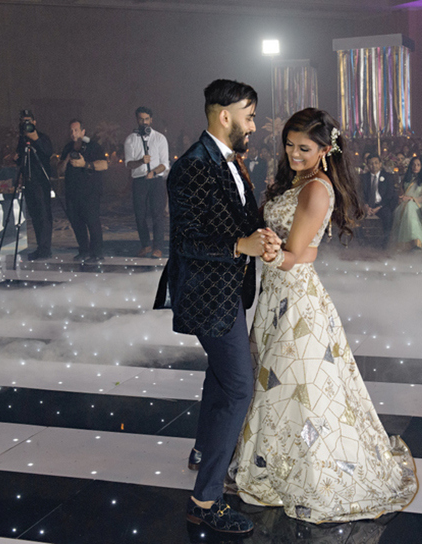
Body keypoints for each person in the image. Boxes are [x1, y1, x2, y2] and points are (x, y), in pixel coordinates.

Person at [232, 108, 417, 523]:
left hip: (294, 299)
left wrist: (256, 246)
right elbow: (306, 249)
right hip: (278, 294)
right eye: (289, 144)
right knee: (280, 382)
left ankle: (308, 471)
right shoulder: (299, 181)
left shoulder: (316, 188)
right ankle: (274, 459)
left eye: (304, 148)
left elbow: (295, 256)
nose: (294, 153)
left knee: (298, 386)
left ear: (325, 149)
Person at [157, 79, 279, 535]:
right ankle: (205, 500)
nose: (254, 126)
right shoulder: (192, 166)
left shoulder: (231, 162)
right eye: (249, 117)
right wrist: (240, 244)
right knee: (239, 388)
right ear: (223, 115)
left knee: (221, 377)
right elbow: (186, 240)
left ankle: (200, 451)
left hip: (229, 290)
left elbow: (242, 218)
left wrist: (262, 234)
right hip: (208, 295)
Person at [58, 119, 108, 263]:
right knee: (76, 223)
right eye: (71, 131)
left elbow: (104, 165)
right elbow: (59, 170)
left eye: (76, 130)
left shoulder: (93, 146)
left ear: (83, 131)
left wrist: (85, 164)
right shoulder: (68, 148)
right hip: (72, 192)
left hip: (90, 192)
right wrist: (67, 159)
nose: (73, 133)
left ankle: (97, 252)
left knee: (92, 222)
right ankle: (84, 250)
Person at [125, 106, 169, 258]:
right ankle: (145, 245)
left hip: (156, 181)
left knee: (157, 215)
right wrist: (140, 161)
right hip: (139, 180)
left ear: (151, 120)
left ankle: (158, 247)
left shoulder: (160, 138)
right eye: (140, 119)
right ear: (137, 120)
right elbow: (128, 164)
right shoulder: (130, 139)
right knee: (139, 215)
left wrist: (153, 172)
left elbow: (165, 163)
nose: (143, 122)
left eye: (146, 119)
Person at [15, 109, 54, 260]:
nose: (27, 124)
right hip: (28, 182)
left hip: (41, 182)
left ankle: (46, 249)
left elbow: (48, 152)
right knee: (35, 216)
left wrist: (36, 139)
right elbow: (21, 159)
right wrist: (15, 157)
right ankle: (40, 247)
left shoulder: (42, 137)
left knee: (44, 216)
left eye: (29, 121)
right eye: (24, 121)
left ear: (34, 122)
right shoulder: (22, 139)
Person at [389, 156, 422, 251]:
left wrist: (411, 199)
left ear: (421, 167)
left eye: (418, 165)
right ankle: (406, 244)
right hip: (404, 205)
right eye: (413, 165)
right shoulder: (406, 179)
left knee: (410, 206)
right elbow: (401, 195)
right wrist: (402, 199)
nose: (415, 167)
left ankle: (416, 241)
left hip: (418, 205)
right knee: (407, 207)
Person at [361, 154, 398, 242]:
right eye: (371, 163)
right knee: (356, 215)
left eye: (376, 163)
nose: (373, 165)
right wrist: (365, 206)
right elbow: (360, 193)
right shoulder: (363, 177)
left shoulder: (388, 177)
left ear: (380, 164)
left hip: (382, 205)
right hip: (367, 205)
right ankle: (361, 242)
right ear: (367, 165)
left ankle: (385, 242)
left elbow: (390, 195)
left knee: (388, 215)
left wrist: (379, 207)